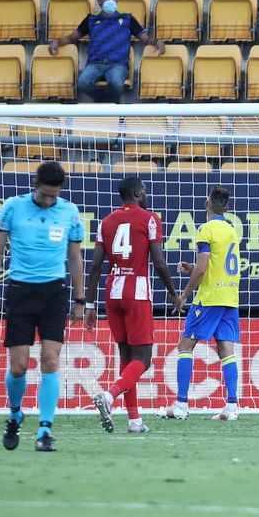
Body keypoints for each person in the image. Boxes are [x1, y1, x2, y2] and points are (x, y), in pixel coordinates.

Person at [0, 160, 87, 452]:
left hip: (54, 293)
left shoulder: (69, 212)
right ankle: (16, 413)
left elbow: (76, 259)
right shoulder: (12, 207)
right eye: (45, 195)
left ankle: (44, 430)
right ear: (34, 185)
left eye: (54, 196)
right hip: (20, 291)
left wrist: (79, 299)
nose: (49, 200)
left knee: (51, 361)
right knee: (18, 367)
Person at [87, 177, 181, 435]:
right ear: (138, 193)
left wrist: (90, 303)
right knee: (144, 360)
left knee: (127, 358)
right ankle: (110, 395)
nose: (147, 195)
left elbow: (95, 265)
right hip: (136, 292)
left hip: (112, 292)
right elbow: (159, 263)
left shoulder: (105, 222)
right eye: (146, 191)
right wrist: (173, 294)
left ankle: (134, 420)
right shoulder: (149, 219)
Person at [172, 186, 244, 421]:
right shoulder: (231, 230)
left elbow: (203, 268)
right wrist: (192, 269)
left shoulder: (206, 229)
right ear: (227, 208)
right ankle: (232, 406)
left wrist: (184, 294)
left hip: (210, 297)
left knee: (185, 345)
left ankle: (181, 405)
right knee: (226, 349)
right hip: (229, 297)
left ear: (206, 204)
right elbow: (214, 267)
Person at [46, 0, 165, 103]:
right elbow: (72, 38)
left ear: (117, 0)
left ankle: (105, 106)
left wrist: (156, 42)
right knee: (82, 82)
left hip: (118, 64)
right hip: (94, 63)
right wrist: (56, 42)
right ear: (99, 1)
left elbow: (145, 38)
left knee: (115, 83)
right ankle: (108, 104)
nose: (110, 0)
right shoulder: (91, 20)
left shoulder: (127, 19)